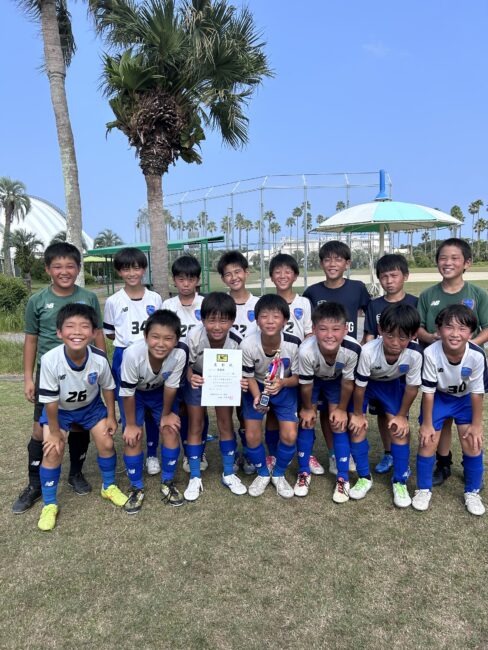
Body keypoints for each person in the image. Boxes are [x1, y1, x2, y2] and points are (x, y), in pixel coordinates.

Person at [13, 242, 106, 515]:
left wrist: (103, 366)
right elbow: (31, 340)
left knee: (79, 426)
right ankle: (34, 484)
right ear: (47, 269)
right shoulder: (38, 300)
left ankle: (75, 474)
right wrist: (28, 378)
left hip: (83, 371)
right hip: (50, 374)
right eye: (57, 266)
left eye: (70, 266)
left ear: (78, 269)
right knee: (39, 430)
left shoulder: (88, 297)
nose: (64, 271)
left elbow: (98, 334)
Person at [36, 304, 127, 531]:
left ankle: (108, 486)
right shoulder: (49, 359)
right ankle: (49, 504)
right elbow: (50, 402)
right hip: (60, 411)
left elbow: (108, 387)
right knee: (53, 450)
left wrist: (111, 416)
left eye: (84, 326)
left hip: (91, 407)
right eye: (70, 326)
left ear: (94, 332)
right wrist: (54, 432)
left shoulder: (99, 358)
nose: (77, 332)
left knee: (107, 442)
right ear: (59, 332)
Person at [417, 238, 488, 486]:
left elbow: (487, 327)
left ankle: (471, 468)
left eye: (454, 258)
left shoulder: (477, 294)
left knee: (465, 423)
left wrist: (466, 347)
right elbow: (418, 328)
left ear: (467, 263)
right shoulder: (428, 295)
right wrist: (434, 339)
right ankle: (443, 463)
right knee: (442, 419)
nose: (448, 263)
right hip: (438, 367)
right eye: (443, 258)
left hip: (465, 369)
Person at [303, 240, 370, 475]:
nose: (332, 264)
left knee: (344, 408)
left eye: (338, 259)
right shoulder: (312, 292)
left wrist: (367, 342)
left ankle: (348, 452)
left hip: (346, 360)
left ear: (347, 263)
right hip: (320, 361)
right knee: (324, 410)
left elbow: (370, 315)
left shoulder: (358, 288)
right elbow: (309, 325)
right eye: (327, 259)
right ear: (321, 263)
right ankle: (334, 454)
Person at [413, 304, 486, 515]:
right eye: (449, 327)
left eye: (462, 328)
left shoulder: (477, 355)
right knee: (427, 440)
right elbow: (428, 393)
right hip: (440, 397)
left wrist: (476, 425)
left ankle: (472, 492)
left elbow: (477, 393)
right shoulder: (430, 353)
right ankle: (423, 489)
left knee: (472, 441)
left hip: (465, 399)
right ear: (439, 329)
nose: (455, 334)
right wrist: (427, 424)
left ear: (471, 333)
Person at [348, 304, 422, 507]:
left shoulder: (415, 354)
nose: (395, 342)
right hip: (366, 385)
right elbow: (359, 387)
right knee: (356, 427)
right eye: (390, 336)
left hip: (391, 385)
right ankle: (364, 477)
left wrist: (401, 415)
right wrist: (358, 414)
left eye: (403, 337)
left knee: (399, 429)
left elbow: (412, 388)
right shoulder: (368, 351)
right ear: (380, 329)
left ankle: (399, 481)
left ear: (413, 335)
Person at [119, 309, 188, 512]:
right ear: (145, 336)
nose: (161, 343)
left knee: (170, 429)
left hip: (159, 392)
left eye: (168, 338)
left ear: (176, 340)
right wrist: (131, 424)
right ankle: (136, 487)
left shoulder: (180, 353)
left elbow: (171, 387)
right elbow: (127, 393)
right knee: (133, 436)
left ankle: (167, 481)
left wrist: (166, 415)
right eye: (155, 337)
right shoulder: (132, 354)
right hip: (135, 394)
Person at [103, 247, 163, 475]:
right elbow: (110, 333)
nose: (131, 273)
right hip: (124, 355)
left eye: (136, 268)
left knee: (152, 408)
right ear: (119, 272)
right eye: (126, 269)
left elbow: (162, 328)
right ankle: (134, 455)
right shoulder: (113, 301)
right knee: (130, 407)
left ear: (144, 269)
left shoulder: (155, 298)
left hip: (153, 355)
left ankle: (152, 455)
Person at [184, 292, 246, 501]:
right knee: (196, 423)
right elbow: (185, 364)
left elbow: (241, 371)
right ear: (202, 319)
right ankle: (194, 476)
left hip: (223, 380)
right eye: (211, 320)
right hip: (199, 378)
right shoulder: (194, 336)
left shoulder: (237, 341)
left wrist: (240, 381)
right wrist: (191, 377)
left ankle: (228, 473)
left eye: (223, 320)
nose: (217, 326)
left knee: (225, 423)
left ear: (232, 320)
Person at [297, 303, 361, 499]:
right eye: (323, 329)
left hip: (336, 381)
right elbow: (306, 385)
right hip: (313, 382)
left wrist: (341, 409)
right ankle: (303, 472)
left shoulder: (353, 349)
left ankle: (343, 478)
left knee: (338, 422)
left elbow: (348, 383)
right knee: (307, 420)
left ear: (346, 329)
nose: (329, 335)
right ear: (314, 329)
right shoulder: (306, 350)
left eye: (336, 329)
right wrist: (307, 408)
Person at [240, 294, 301, 498]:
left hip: (285, 387)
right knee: (251, 435)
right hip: (257, 385)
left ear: (285, 320)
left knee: (290, 435)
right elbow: (248, 376)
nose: (270, 321)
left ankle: (279, 473)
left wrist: (282, 383)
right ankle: (263, 473)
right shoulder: (248, 344)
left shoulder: (294, 343)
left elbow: (298, 377)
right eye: (264, 316)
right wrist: (258, 396)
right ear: (257, 320)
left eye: (276, 316)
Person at [363, 253, 418, 475]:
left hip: (404, 370)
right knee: (381, 413)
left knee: (399, 415)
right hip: (379, 369)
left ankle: (402, 456)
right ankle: (388, 453)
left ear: (405, 276)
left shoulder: (414, 302)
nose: (389, 281)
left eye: (394, 275)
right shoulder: (374, 305)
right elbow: (369, 335)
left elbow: (419, 334)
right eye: (384, 276)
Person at [162, 255, 207, 472]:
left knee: (198, 410)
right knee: (178, 409)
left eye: (191, 279)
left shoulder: (205, 303)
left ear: (198, 280)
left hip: (199, 367)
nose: (186, 284)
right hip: (173, 366)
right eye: (181, 279)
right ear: (174, 280)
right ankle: (183, 448)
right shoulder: (167, 305)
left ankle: (198, 451)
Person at [217, 250, 259, 475]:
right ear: (223, 278)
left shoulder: (258, 304)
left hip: (250, 371)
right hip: (223, 369)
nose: (234, 277)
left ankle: (249, 454)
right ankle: (231, 456)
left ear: (246, 272)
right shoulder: (219, 304)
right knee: (224, 418)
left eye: (237, 271)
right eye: (228, 274)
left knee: (246, 415)